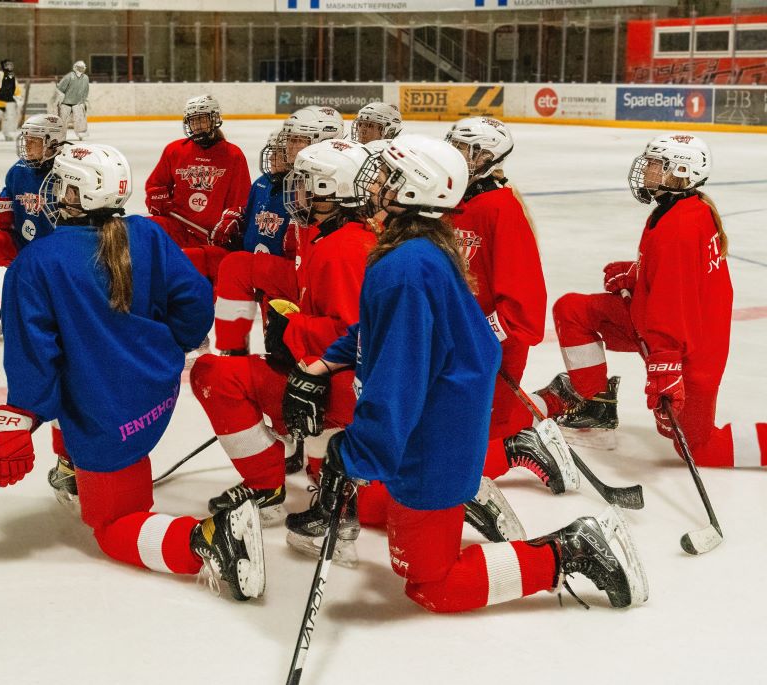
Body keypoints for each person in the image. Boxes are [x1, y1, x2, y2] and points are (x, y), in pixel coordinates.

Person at [286, 134, 647, 612]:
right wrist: (327, 361)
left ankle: (574, 548)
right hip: (436, 430)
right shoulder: (418, 252)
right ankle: (481, 492)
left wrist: (355, 453)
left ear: (412, 191)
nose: (375, 185)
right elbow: (378, 333)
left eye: (388, 177)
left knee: (431, 585)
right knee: (377, 508)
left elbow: (397, 383)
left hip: (432, 442)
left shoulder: (406, 268)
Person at [0, 142, 265, 601]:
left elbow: (36, 362)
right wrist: (164, 346)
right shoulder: (150, 234)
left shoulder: (35, 263)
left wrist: (17, 417)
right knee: (75, 382)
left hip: (106, 417)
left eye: (64, 184)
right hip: (156, 394)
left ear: (77, 193)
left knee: (111, 526)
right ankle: (74, 469)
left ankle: (210, 541)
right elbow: (194, 305)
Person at [541, 134, 761, 467]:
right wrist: (636, 275)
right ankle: (596, 410)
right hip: (655, 327)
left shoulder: (681, 225)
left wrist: (666, 367)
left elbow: (675, 304)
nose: (647, 172)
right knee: (573, 311)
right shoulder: (681, 210)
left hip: (689, 352)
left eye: (657, 165)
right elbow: (678, 277)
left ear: (681, 171)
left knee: (698, 448)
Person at [189, 139, 376, 528]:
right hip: (328, 385)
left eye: (307, 183)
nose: (297, 191)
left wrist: (291, 330)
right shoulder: (327, 234)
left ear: (333, 189)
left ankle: (268, 483)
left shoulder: (343, 249)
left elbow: (357, 341)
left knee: (212, 376)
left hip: (336, 396)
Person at [445, 117, 579, 495]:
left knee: (461, 461)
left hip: (493, 348)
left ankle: (517, 447)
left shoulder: (501, 209)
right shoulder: (457, 201)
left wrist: (480, 335)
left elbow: (523, 306)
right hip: (461, 345)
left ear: (486, 157)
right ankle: (554, 398)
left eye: (463, 149)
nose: (452, 154)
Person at [0, 113, 66, 338]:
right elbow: (6, 206)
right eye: (25, 139)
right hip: (23, 246)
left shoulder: (70, 172)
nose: (27, 146)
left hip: (58, 257)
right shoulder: (19, 170)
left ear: (53, 142)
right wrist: (3, 210)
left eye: (33, 141)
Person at [144, 94, 250, 282]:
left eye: (202, 119)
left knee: (188, 266)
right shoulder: (175, 150)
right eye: (193, 121)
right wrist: (156, 198)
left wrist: (229, 222)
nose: (198, 125)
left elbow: (241, 199)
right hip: (178, 226)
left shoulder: (233, 155)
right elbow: (155, 184)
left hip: (209, 237)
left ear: (215, 119)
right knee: (142, 228)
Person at [212, 130, 299, 356]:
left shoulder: (300, 191)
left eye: (278, 154)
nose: (271, 159)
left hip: (282, 278)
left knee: (287, 341)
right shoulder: (261, 184)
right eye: (271, 153)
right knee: (271, 336)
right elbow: (249, 218)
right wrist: (236, 224)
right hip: (259, 272)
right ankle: (237, 350)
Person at [56, 60, 90, 140]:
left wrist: (83, 101)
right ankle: (61, 136)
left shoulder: (85, 78)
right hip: (65, 103)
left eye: (83, 67)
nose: (82, 69)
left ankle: (81, 133)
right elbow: (60, 88)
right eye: (80, 67)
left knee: (80, 119)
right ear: (75, 68)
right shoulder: (69, 77)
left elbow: (86, 90)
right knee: (63, 120)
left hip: (78, 103)